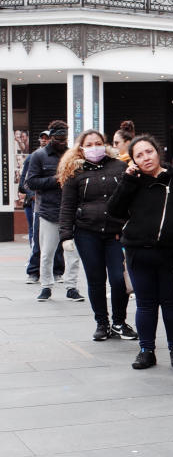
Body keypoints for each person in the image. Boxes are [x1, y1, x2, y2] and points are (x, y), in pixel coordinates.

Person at [107, 135, 173, 370]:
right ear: (133, 160)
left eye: (149, 152)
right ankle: (146, 351)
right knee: (145, 304)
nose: (146, 158)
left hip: (170, 253)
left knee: (172, 303)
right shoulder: (132, 181)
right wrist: (127, 180)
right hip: (138, 252)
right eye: (139, 155)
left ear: (158, 152)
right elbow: (113, 210)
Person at [57, 129, 135, 342]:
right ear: (81, 148)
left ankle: (119, 321)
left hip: (116, 233)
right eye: (89, 144)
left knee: (119, 280)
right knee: (96, 280)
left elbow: (131, 197)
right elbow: (68, 206)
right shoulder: (74, 172)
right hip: (87, 233)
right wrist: (65, 235)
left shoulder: (120, 167)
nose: (94, 147)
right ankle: (102, 323)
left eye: (97, 143)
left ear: (105, 144)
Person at [25, 121, 82, 301]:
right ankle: (46, 286)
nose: (62, 142)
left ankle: (71, 286)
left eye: (64, 138)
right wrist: (56, 179)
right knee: (47, 252)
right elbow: (31, 182)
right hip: (48, 211)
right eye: (58, 138)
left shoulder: (72, 155)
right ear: (50, 137)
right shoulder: (38, 156)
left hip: (71, 211)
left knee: (72, 254)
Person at [20, 130, 61, 284]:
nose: (44, 140)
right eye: (42, 138)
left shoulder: (63, 156)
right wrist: (32, 195)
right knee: (38, 240)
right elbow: (25, 182)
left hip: (58, 205)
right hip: (38, 206)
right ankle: (33, 271)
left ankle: (57, 271)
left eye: (47, 138)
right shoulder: (34, 157)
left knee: (58, 244)